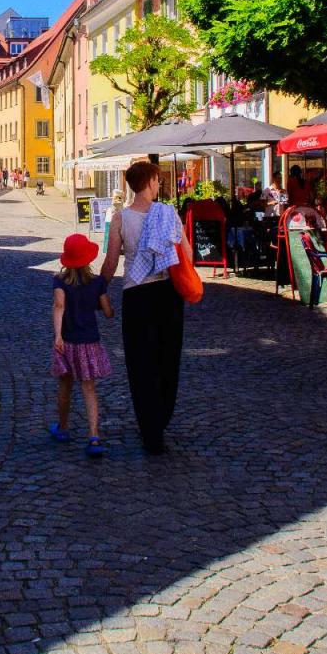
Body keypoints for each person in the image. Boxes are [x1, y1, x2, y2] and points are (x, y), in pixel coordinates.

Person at [102, 160, 190, 455]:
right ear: (150, 182)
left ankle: (149, 428)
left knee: (141, 363)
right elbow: (186, 254)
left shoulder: (120, 218)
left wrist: (98, 289)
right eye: (157, 180)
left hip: (137, 295)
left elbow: (112, 261)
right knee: (168, 357)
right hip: (167, 293)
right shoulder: (168, 213)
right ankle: (161, 418)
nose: (159, 184)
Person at [50, 234, 114, 456]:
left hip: (67, 342)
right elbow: (107, 312)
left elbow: (59, 306)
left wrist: (58, 335)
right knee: (89, 388)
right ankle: (94, 436)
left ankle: (63, 428)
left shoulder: (60, 281)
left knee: (65, 385)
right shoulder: (97, 283)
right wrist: (102, 302)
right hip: (89, 342)